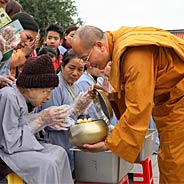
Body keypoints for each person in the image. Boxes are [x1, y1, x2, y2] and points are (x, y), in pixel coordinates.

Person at [71, 25, 184, 183]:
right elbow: (132, 91)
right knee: (169, 159)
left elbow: (138, 108)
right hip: (170, 104)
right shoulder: (119, 40)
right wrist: (108, 97)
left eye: (86, 58)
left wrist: (108, 144)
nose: (87, 65)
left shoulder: (134, 53)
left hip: (179, 104)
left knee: (175, 166)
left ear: (99, 46)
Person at [0, 54, 73, 184]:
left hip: (18, 145)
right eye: (46, 91)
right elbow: (9, 142)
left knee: (60, 153)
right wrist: (40, 120)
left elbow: (23, 126)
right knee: (47, 163)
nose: (48, 98)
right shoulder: (9, 97)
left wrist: (44, 119)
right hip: (5, 153)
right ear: (30, 88)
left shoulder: (25, 98)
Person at [38, 49, 85, 175]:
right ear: (62, 66)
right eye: (71, 68)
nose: (75, 73)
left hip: (69, 141)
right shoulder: (55, 86)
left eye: (80, 69)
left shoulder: (75, 86)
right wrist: (74, 111)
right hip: (55, 141)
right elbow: (51, 122)